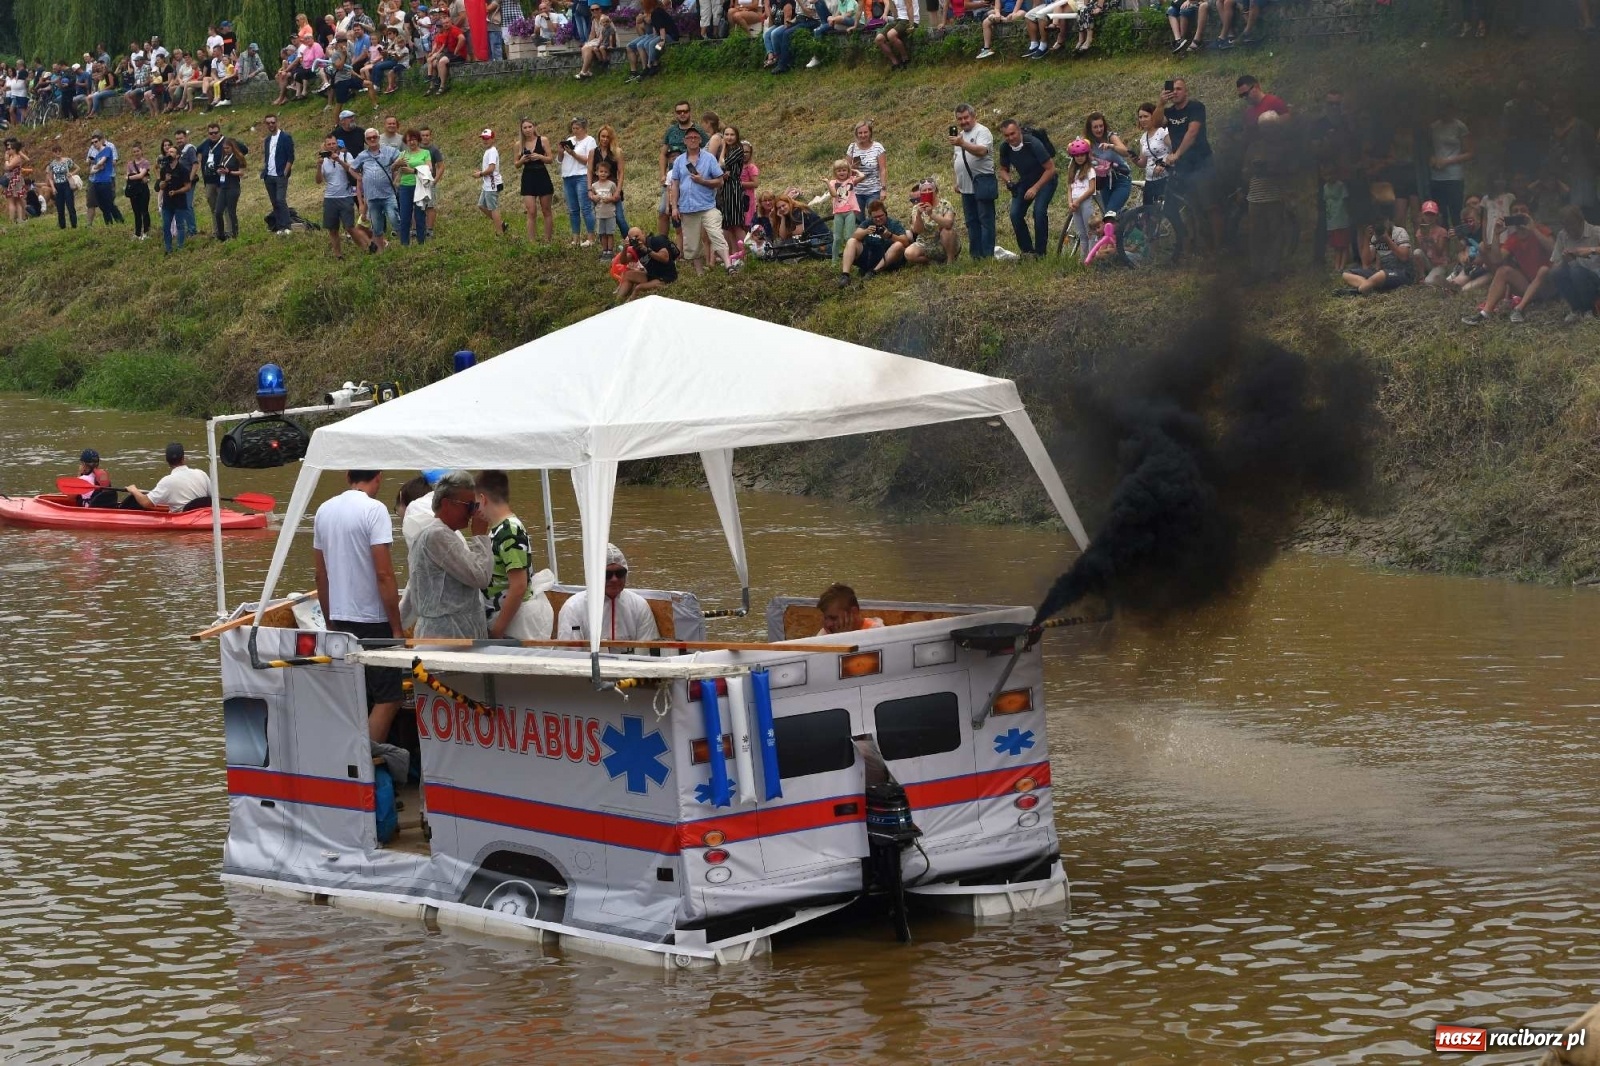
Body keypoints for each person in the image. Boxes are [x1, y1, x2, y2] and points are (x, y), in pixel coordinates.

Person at [314, 469, 405, 744]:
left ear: (347, 476)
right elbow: (384, 574)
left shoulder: (323, 511)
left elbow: (321, 574)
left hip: (340, 618)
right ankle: (366, 761)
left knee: (358, 695)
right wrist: (397, 628)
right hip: (373, 620)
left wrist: (330, 621)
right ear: (378, 477)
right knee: (389, 698)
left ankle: (353, 763)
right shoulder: (375, 510)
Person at [401, 470, 495, 640]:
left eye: (475, 507)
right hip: (445, 639)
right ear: (446, 504)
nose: (472, 513)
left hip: (453, 638)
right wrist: (480, 535)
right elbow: (481, 577)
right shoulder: (437, 536)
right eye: (469, 506)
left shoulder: (441, 535)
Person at [475, 470, 557, 640]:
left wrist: (497, 632)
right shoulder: (499, 530)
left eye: (476, 503)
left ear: (483, 499)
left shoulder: (509, 531)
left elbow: (518, 586)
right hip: (506, 619)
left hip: (515, 624)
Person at [1462, 201, 1552, 324]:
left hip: (1548, 285)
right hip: (1529, 287)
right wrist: (1496, 234)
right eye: (1515, 211)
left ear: (1529, 214)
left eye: (1523, 210)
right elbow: (1496, 260)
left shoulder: (1541, 230)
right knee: (1503, 271)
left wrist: (1533, 229)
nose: (1519, 213)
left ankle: (1519, 309)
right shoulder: (1513, 238)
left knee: (1544, 270)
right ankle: (1486, 312)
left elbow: (1553, 250)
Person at [556, 543, 662, 645]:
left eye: (620, 573)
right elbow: (570, 655)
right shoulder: (573, 608)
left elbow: (648, 651)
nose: (614, 579)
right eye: (607, 574)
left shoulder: (639, 605)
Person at [668, 126, 734, 273]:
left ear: (700, 140)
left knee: (716, 233)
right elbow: (675, 184)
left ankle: (729, 266)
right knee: (692, 242)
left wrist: (703, 181)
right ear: (684, 141)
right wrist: (674, 207)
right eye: (689, 137)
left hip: (707, 206)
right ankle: (699, 272)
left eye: (695, 137)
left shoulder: (709, 158)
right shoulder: (678, 161)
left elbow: (720, 181)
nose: (692, 140)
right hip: (687, 207)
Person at [1161, 78, 1218, 249]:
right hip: (1184, 167)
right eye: (1173, 89)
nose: (1176, 92)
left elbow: (1192, 133)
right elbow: (1155, 123)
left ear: (1186, 91)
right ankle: (1198, 244)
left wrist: (1177, 154)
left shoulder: (1196, 107)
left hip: (1202, 162)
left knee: (1210, 206)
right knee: (1191, 206)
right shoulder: (1170, 113)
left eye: (1179, 89)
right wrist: (1160, 103)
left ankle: (1220, 245)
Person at [996, 119, 1056, 258]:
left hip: (1046, 179)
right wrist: (1009, 181)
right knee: (1015, 214)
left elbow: (1051, 169)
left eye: (1013, 134)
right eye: (1007, 135)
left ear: (1019, 131)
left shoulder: (1032, 143)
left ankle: (1041, 253)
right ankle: (1027, 251)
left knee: (1039, 212)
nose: (1011, 138)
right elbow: (1003, 170)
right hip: (1026, 180)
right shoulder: (1005, 147)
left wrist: (1035, 188)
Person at [950, 103, 996, 261]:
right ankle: (976, 255)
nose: (963, 121)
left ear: (973, 116)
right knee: (971, 221)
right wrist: (957, 180)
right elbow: (957, 159)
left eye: (966, 117)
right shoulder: (960, 136)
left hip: (982, 183)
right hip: (965, 186)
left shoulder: (982, 131)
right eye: (960, 119)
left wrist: (962, 143)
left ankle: (987, 254)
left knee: (985, 220)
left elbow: (982, 151)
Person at [1545, 204, 1600, 324]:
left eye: (1572, 226)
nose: (1570, 231)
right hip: (1575, 277)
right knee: (1556, 273)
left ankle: (1588, 310)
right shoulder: (1562, 235)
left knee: (1577, 272)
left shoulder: (1595, 231)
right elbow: (1555, 263)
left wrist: (1591, 250)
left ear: (1580, 221)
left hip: (1595, 278)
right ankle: (1576, 309)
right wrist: (1565, 260)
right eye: (1566, 227)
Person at [837, 198, 910, 284]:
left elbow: (905, 242)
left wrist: (890, 235)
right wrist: (865, 231)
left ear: (885, 214)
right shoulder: (868, 223)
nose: (878, 219)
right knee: (851, 241)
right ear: (871, 217)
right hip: (870, 256)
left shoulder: (893, 224)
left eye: (880, 216)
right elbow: (854, 236)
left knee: (898, 245)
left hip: (887, 257)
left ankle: (873, 272)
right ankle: (845, 275)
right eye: (875, 217)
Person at [659, 101, 705, 235]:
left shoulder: (698, 131)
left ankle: (688, 245)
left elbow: (708, 150)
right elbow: (663, 153)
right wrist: (662, 174)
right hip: (673, 176)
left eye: (685, 111)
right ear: (675, 114)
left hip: (691, 174)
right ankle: (663, 244)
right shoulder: (671, 131)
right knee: (663, 210)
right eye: (679, 112)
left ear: (690, 112)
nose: (682, 114)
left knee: (689, 211)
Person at [1340, 211, 1413, 296]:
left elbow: (1404, 257)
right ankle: (1368, 287)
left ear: (1388, 220)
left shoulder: (1399, 232)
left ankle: (1360, 289)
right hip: (1383, 272)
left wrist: (1387, 239)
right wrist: (1367, 239)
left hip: (1402, 272)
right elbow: (1366, 262)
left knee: (1380, 275)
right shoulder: (1375, 236)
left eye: (1382, 221)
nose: (1379, 225)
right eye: (1376, 222)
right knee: (1346, 274)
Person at [891, 177, 957, 268]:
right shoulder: (917, 208)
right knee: (908, 253)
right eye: (924, 190)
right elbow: (918, 230)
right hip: (925, 243)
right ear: (921, 193)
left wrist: (932, 214)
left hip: (943, 241)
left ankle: (950, 261)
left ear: (935, 191)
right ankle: (933, 262)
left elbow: (949, 224)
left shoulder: (945, 204)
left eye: (930, 189)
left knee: (948, 231)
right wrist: (918, 214)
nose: (927, 192)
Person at [124, 442, 211, 511]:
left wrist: (134, 490)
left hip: (185, 517)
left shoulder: (167, 481)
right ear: (183, 458)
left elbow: (146, 503)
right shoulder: (201, 473)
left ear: (167, 461)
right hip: (205, 514)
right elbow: (216, 497)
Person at [353, 127, 401, 249]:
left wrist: (396, 172)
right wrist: (359, 177)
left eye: (375, 137)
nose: (372, 139)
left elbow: (403, 159)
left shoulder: (390, 151)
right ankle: (380, 250)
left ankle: (405, 244)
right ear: (366, 140)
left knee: (394, 218)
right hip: (372, 197)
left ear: (379, 138)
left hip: (388, 194)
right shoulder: (362, 155)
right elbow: (351, 168)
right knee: (376, 226)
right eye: (369, 138)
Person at [1428, 101, 1473, 229]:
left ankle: (1461, 243)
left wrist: (1447, 161)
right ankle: (1443, 244)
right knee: (1440, 214)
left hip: (1454, 175)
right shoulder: (1433, 127)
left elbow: (1469, 152)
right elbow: (1429, 149)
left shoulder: (1460, 127)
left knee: (1456, 212)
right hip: (1436, 176)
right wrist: (1431, 159)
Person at [317, 133, 361, 258]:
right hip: (330, 197)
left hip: (346, 196)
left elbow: (353, 170)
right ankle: (338, 255)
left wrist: (339, 160)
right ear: (325, 146)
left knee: (350, 227)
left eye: (333, 143)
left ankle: (365, 247)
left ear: (337, 144)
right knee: (332, 229)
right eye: (329, 144)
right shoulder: (323, 160)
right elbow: (319, 181)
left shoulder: (346, 155)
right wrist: (319, 166)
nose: (331, 146)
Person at [514, 118, 556, 243]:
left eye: (530, 127)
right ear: (521, 130)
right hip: (528, 177)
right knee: (531, 211)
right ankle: (532, 242)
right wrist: (522, 160)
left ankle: (547, 240)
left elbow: (550, 159)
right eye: (525, 128)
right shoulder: (518, 144)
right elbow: (516, 164)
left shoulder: (543, 140)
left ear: (534, 127)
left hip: (542, 174)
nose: (527, 130)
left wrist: (539, 156)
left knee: (546, 210)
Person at [616, 226, 680, 301]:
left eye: (637, 236)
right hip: (651, 275)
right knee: (627, 275)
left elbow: (665, 259)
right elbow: (623, 261)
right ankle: (617, 301)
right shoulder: (636, 248)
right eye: (633, 239)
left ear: (643, 233)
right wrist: (625, 248)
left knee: (638, 288)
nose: (636, 240)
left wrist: (647, 250)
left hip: (665, 277)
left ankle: (629, 305)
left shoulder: (656, 241)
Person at [559, 118, 597, 247]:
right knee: (572, 209)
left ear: (584, 128)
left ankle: (591, 237)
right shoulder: (570, 140)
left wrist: (573, 153)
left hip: (581, 176)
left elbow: (588, 160)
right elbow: (559, 160)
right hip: (568, 176)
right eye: (573, 128)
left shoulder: (590, 140)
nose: (575, 131)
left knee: (586, 208)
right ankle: (576, 238)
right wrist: (561, 152)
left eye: (577, 128)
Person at [824, 158, 865, 265]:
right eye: (839, 170)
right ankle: (834, 260)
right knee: (837, 238)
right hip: (838, 213)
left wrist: (855, 171)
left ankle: (851, 257)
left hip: (850, 212)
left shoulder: (851, 180)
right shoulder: (833, 182)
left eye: (844, 170)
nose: (842, 172)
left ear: (848, 171)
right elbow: (834, 194)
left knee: (849, 236)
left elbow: (862, 176)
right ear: (835, 172)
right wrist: (828, 183)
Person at [1063, 138, 1099, 258]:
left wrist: (1078, 201)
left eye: (1082, 155)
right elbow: (1069, 188)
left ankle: (1091, 257)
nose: (1079, 158)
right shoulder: (1072, 170)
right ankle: (1084, 259)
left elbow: (1091, 189)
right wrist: (1070, 202)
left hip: (1084, 203)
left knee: (1090, 232)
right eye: (1077, 155)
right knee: (1081, 234)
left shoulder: (1090, 170)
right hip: (1075, 204)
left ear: (1086, 155)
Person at [396, 128, 432, 246]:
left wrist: (412, 171)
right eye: (409, 140)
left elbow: (429, 169)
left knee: (419, 215)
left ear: (418, 140)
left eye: (414, 139)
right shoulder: (402, 154)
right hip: (405, 186)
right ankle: (404, 243)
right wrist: (397, 164)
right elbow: (394, 169)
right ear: (406, 142)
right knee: (405, 215)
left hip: (419, 186)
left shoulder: (425, 153)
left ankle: (421, 242)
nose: (412, 142)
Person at [260, 114, 295, 235]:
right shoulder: (268, 140)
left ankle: (287, 225)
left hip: (280, 174)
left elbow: (291, 157)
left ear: (277, 122)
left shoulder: (285, 137)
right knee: (274, 201)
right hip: (269, 175)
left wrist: (285, 172)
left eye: (273, 122)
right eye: (268, 123)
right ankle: (280, 226)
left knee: (280, 200)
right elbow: (267, 157)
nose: (271, 125)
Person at [157, 142, 192, 254]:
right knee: (166, 226)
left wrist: (176, 192)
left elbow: (188, 186)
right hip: (167, 202)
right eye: (168, 151)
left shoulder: (183, 169)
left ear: (177, 156)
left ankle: (180, 247)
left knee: (180, 225)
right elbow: (160, 186)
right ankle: (168, 249)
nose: (169, 153)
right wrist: (165, 181)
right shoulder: (164, 169)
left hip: (179, 201)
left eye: (172, 152)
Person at [847, 122, 887, 216]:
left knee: (874, 217)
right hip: (856, 190)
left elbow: (883, 169)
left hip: (873, 190)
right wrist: (851, 168)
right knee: (858, 220)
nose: (863, 135)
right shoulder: (852, 147)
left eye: (865, 132)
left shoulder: (878, 147)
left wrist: (883, 189)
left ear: (870, 133)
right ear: (856, 134)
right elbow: (846, 169)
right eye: (860, 133)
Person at [816, 583, 884, 635]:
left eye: (833, 618)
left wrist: (845, 638)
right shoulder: (827, 632)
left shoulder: (876, 632)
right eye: (825, 618)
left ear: (854, 612)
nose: (828, 624)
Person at [1411, 200, 1451, 284]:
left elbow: (1440, 253)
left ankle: (1439, 277)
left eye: (1432, 214)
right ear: (1422, 216)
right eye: (1427, 214)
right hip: (1428, 262)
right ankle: (1422, 276)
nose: (1429, 217)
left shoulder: (1442, 231)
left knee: (1429, 282)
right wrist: (1422, 238)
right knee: (1416, 252)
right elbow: (1419, 251)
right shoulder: (1419, 232)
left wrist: (1432, 241)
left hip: (1440, 264)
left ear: (1436, 216)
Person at [475, 127, 506, 235]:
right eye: (483, 138)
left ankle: (500, 233)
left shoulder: (492, 151)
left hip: (492, 185)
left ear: (493, 139)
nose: (485, 140)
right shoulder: (488, 151)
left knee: (493, 208)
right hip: (487, 184)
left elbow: (491, 168)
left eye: (487, 138)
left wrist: (480, 174)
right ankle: (501, 224)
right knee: (481, 205)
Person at [44, 144, 78, 230]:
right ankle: (62, 226)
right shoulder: (52, 164)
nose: (58, 153)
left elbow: (77, 168)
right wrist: (53, 187)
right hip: (58, 185)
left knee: (70, 205)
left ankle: (74, 225)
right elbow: (50, 178)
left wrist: (71, 174)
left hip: (66, 183)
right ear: (53, 153)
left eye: (59, 151)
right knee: (60, 207)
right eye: (56, 152)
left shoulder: (67, 160)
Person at [591, 159, 620, 256]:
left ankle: (610, 251)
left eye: (605, 172)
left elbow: (617, 197)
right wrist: (594, 198)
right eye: (601, 171)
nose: (603, 173)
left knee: (610, 233)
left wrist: (610, 199)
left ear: (608, 173)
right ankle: (604, 250)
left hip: (610, 213)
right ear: (596, 172)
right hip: (599, 214)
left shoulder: (611, 184)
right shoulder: (594, 186)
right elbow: (592, 197)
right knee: (602, 234)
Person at [124, 144, 153, 241]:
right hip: (134, 190)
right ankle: (137, 233)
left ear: (141, 151)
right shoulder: (129, 164)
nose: (136, 153)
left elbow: (141, 175)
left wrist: (131, 176)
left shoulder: (145, 162)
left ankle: (146, 231)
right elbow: (127, 176)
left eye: (137, 151)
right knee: (136, 212)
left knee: (144, 210)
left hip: (143, 190)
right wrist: (135, 176)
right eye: (134, 151)